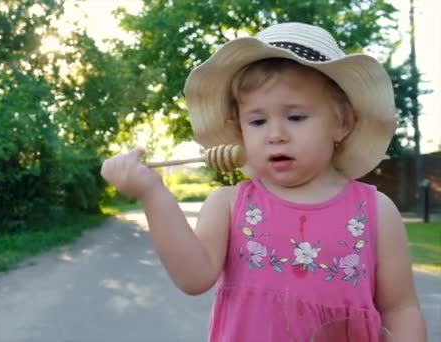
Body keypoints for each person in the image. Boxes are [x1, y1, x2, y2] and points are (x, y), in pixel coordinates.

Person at [100, 22, 426, 341]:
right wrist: (152, 193)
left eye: (296, 117)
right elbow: (192, 278)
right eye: (257, 121)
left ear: (342, 123)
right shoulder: (229, 204)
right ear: (240, 131)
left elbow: (400, 308)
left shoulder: (374, 211)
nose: (275, 135)